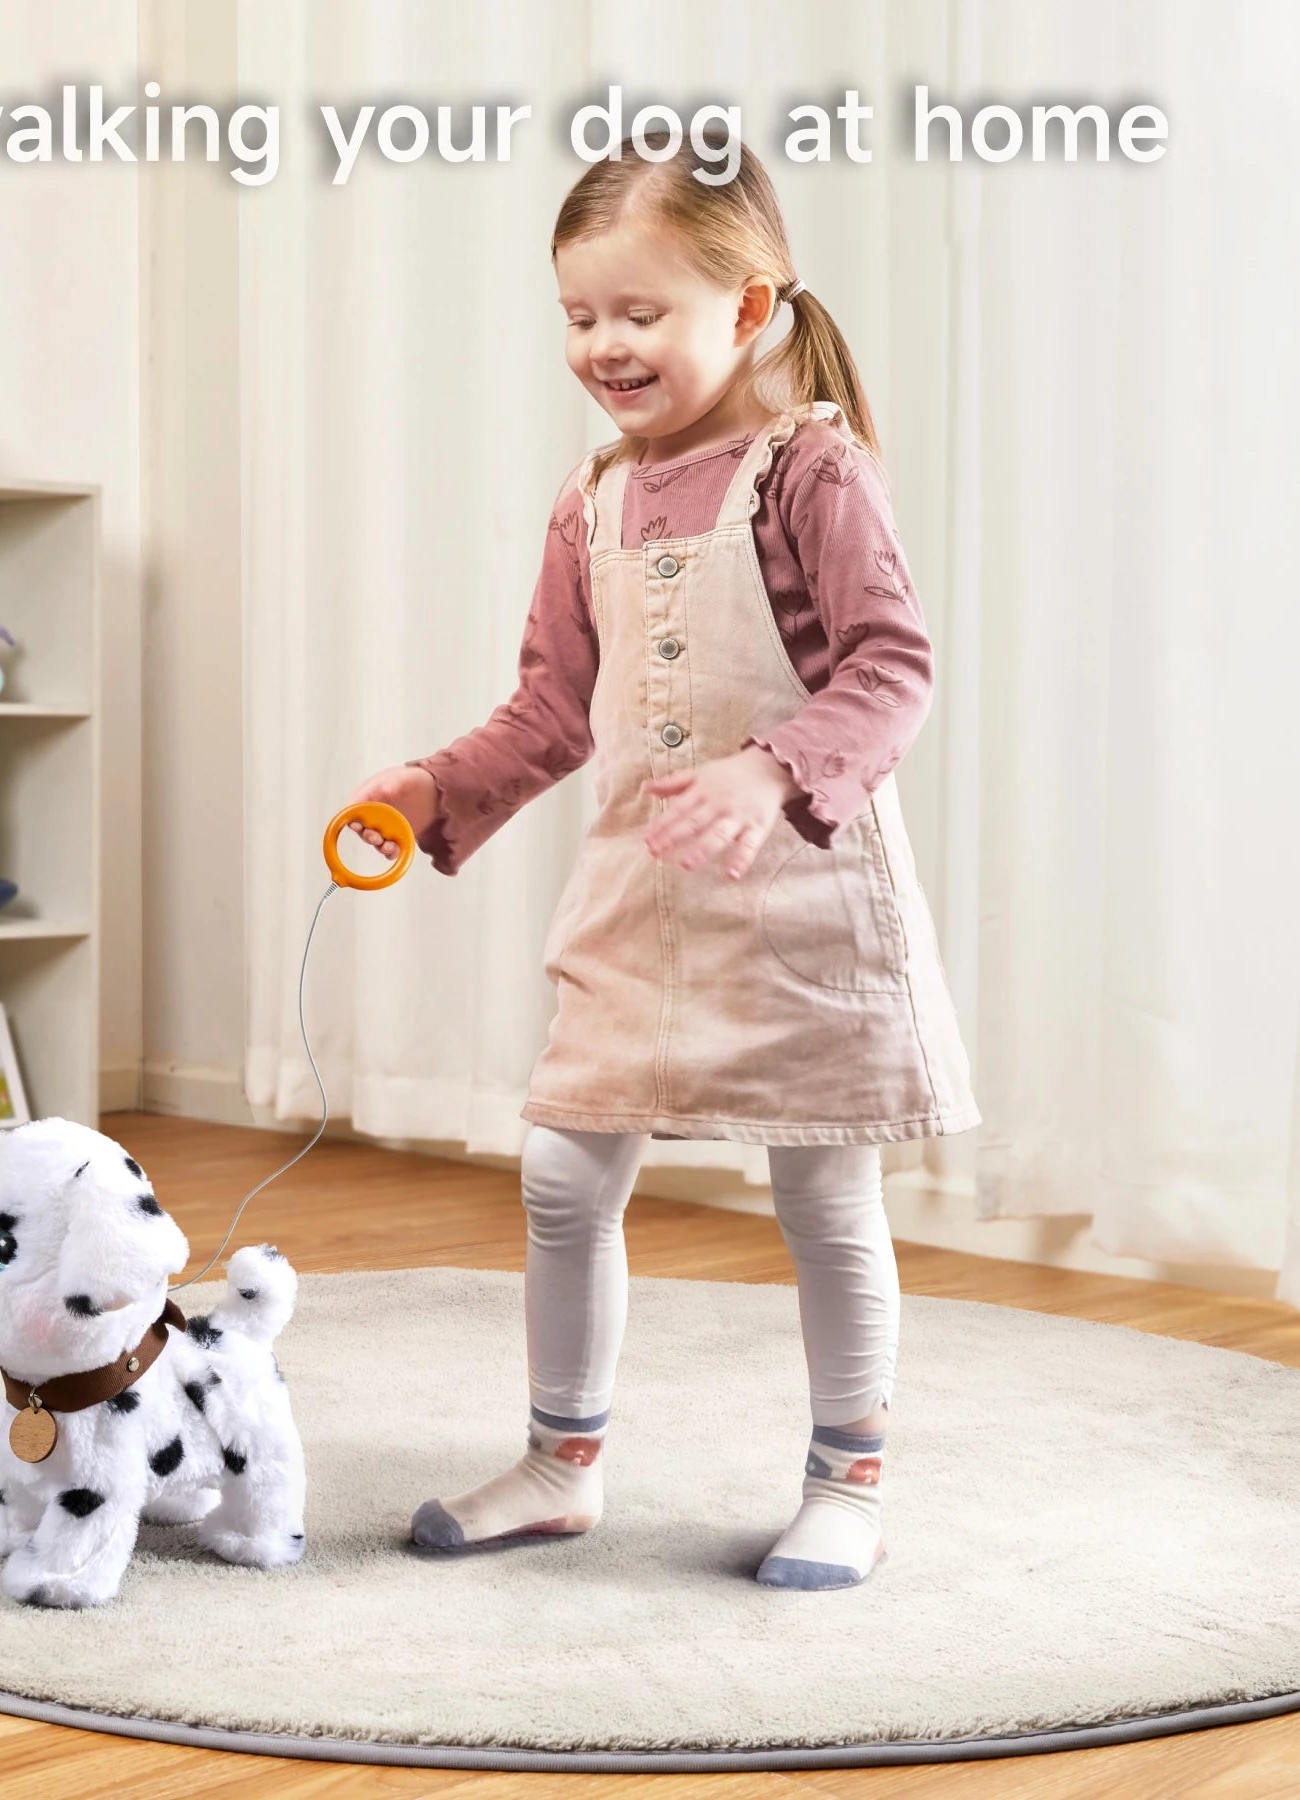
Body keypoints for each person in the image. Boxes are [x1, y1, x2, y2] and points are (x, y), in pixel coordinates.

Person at [343, 136, 978, 1590]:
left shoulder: (812, 467)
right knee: (566, 1174)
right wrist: (434, 787)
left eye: (641, 314)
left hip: (807, 897)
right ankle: (563, 1463)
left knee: (823, 1198)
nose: (604, 345)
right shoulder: (591, 503)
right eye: (579, 315)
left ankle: (848, 1482)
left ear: (750, 309)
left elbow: (893, 666)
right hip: (639, 892)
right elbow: (550, 714)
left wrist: (773, 773)